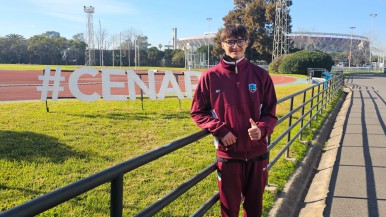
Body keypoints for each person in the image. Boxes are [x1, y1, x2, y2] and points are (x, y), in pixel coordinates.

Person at [190, 24, 278, 217]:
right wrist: (219, 129)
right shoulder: (210, 77)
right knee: (229, 211)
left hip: (258, 153)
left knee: (254, 209)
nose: (235, 46)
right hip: (228, 156)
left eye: (239, 41)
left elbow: (271, 112)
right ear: (222, 44)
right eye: (230, 41)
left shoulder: (261, 75)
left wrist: (262, 129)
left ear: (246, 43)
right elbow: (197, 111)